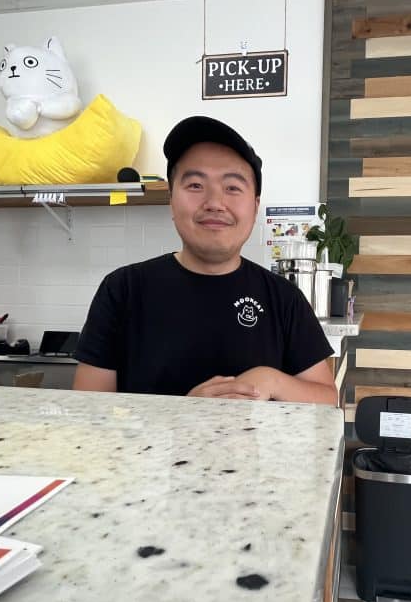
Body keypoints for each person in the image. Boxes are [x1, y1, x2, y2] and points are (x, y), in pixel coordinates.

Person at [72, 115, 337, 405]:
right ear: (171, 199)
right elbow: (90, 413)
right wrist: (186, 415)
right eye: (196, 185)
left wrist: (272, 380)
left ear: (255, 205)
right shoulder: (123, 289)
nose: (214, 202)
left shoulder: (283, 298)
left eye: (233, 187)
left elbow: (326, 399)